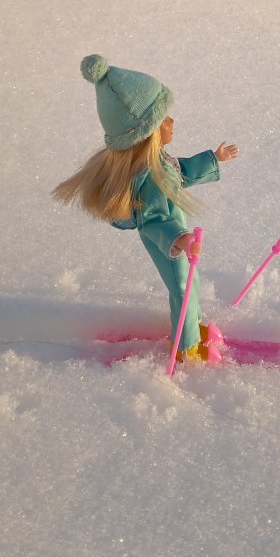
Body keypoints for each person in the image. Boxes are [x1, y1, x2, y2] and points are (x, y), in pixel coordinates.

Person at [52, 55, 239, 361]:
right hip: (169, 245)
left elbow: (181, 174)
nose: (172, 122)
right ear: (146, 132)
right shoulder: (148, 175)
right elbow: (151, 221)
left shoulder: (160, 163)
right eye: (164, 119)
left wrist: (214, 159)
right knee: (182, 288)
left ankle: (193, 328)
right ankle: (186, 346)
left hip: (177, 242)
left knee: (191, 286)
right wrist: (177, 238)